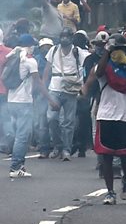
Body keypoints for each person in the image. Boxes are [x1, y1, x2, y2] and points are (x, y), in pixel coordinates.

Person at [84, 35, 126, 204]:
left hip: (124, 118)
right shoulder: (104, 68)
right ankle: (110, 192)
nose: (118, 53)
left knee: (125, 157)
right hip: (106, 117)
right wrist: (107, 53)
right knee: (106, 157)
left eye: (120, 50)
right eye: (115, 50)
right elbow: (98, 73)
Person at [42, 28, 86, 161]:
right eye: (62, 36)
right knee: (51, 118)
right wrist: (44, 86)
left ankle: (66, 150)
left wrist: (83, 87)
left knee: (69, 122)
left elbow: (85, 67)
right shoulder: (54, 50)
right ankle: (58, 145)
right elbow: (47, 70)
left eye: (67, 36)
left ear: (72, 38)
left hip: (71, 89)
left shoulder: (77, 52)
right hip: (55, 88)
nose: (64, 39)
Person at [7, 35, 46, 179]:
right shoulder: (30, 61)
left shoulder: (12, 58)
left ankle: (20, 165)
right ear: (29, 45)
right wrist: (49, 99)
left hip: (11, 101)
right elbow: (38, 82)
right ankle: (16, 167)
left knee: (19, 134)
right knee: (22, 137)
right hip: (23, 102)